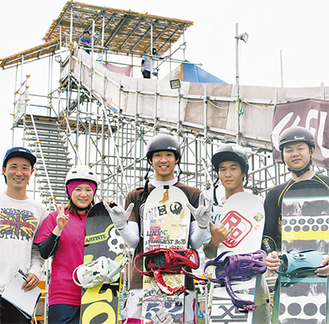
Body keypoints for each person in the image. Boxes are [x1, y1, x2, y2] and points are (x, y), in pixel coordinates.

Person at [104, 134, 212, 323]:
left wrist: (202, 224)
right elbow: (134, 242)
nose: (163, 160)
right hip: (142, 277)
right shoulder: (137, 195)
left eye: (169, 155)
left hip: (180, 277)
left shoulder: (192, 194)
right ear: (150, 160)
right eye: (157, 155)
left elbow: (195, 243)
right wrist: (121, 225)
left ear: (177, 159)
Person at [203, 143, 271, 324]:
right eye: (222, 169)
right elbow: (209, 254)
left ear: (244, 173)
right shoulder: (212, 209)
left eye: (233, 168)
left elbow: (269, 243)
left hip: (254, 283)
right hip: (222, 287)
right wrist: (214, 242)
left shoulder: (259, 204)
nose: (227, 174)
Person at [34, 165, 99, 323]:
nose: (83, 194)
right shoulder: (55, 217)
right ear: (69, 191)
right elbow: (44, 252)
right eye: (77, 189)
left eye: (88, 189)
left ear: (94, 192)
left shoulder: (101, 220)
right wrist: (59, 228)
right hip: (64, 296)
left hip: (97, 294)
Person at [263, 126, 329, 274]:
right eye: (289, 150)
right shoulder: (275, 194)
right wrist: (270, 254)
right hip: (292, 272)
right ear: (283, 156)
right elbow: (268, 236)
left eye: (300, 148)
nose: (295, 154)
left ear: (312, 151)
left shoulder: (327, 185)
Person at [0, 147, 47, 324]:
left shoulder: (39, 210)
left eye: (25, 167)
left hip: (19, 292)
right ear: (3, 170)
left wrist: (35, 271)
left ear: (31, 172)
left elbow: (38, 250)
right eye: (13, 166)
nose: (19, 172)